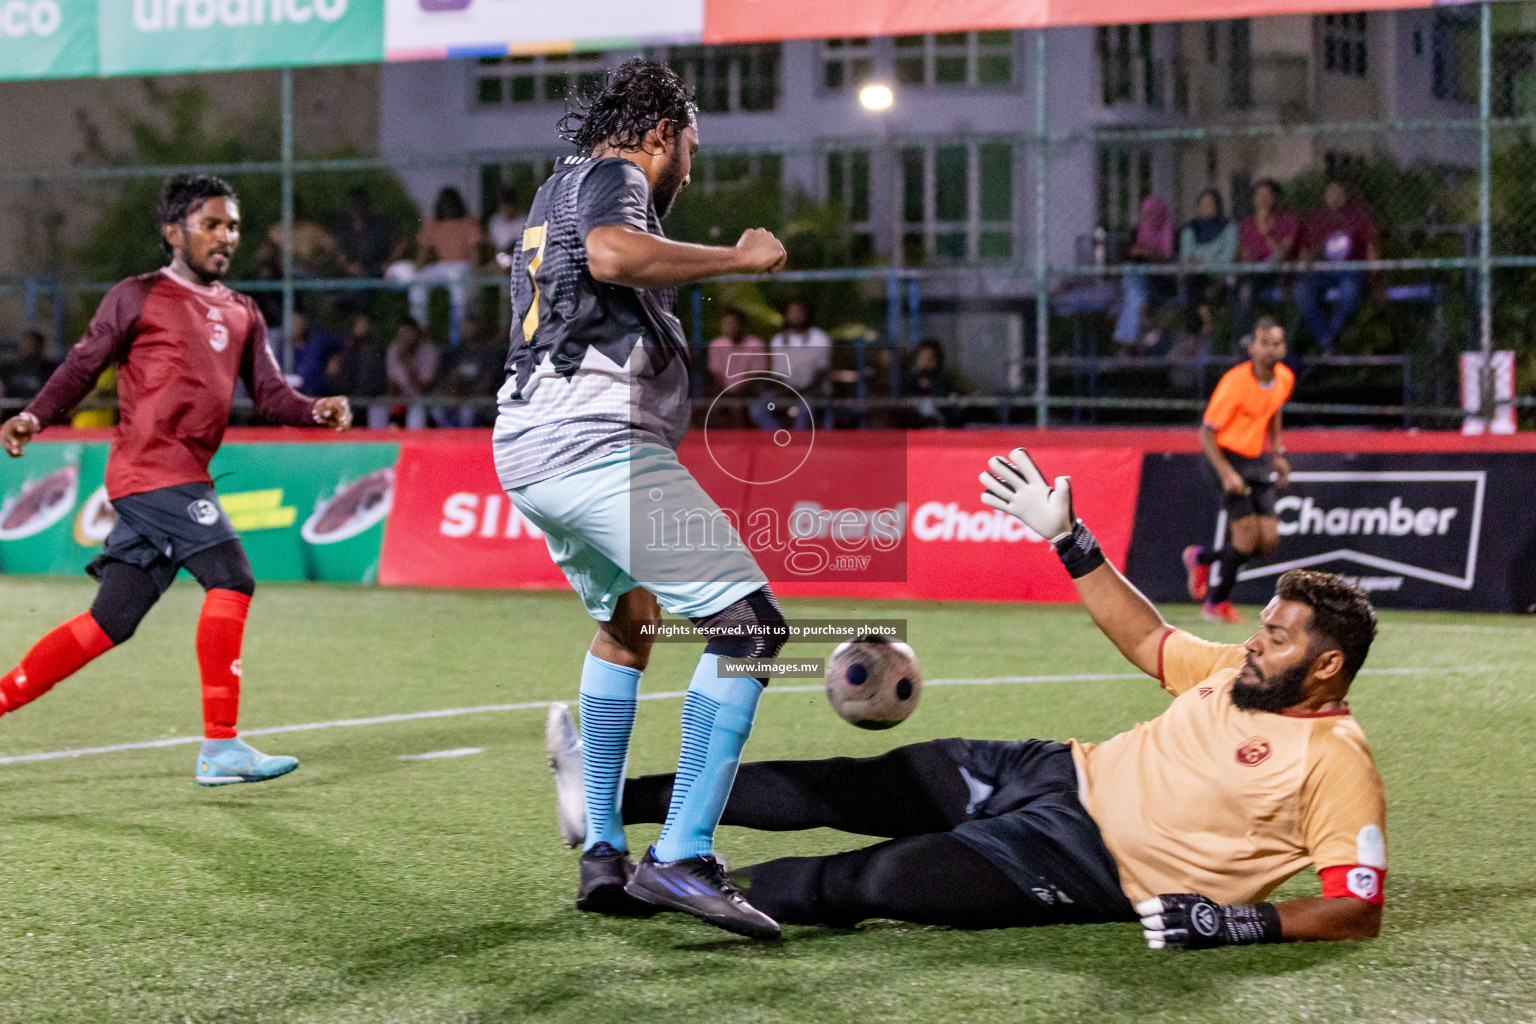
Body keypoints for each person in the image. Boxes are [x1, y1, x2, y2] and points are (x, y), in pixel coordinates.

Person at [550, 451, 1386, 947]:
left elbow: (1357, 907)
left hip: (1084, 866)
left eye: (1278, 636)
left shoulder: (1334, 763)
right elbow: (1146, 639)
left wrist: (1243, 925)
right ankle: (605, 806)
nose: (1256, 643)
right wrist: (1070, 540)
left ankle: (648, 890)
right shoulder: (1236, 669)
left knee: (870, 881)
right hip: (1051, 772)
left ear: (1326, 668)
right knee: (853, 785)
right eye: (1264, 626)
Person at [495, 58, 788, 938]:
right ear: (661, 132)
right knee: (751, 627)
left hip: (532, 443)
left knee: (631, 619)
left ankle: (604, 853)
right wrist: (739, 257)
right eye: (691, 147)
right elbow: (616, 257)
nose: (690, 169)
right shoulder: (617, 176)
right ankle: (684, 857)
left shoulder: (558, 189)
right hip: (594, 440)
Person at [0, 174, 353, 785]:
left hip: (183, 477)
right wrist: (34, 415)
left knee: (111, 620)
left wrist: (313, 409)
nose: (226, 237)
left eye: (233, 226)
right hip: (151, 472)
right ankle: (221, 748)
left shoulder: (242, 311)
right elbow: (84, 364)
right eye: (212, 224)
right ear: (174, 231)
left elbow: (270, 394)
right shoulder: (136, 296)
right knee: (232, 577)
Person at [1183, 317, 1294, 624]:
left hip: (1256, 459)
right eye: (1264, 343)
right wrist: (1226, 473)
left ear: (1283, 348)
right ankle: (1216, 604)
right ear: (1252, 347)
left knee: (1268, 540)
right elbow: (1206, 433)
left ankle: (1201, 558)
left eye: (1276, 343)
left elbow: (1273, 411)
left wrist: (1278, 452)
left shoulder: (1284, 378)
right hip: (1225, 457)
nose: (1270, 349)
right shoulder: (1235, 382)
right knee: (1245, 540)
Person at [1295, 180, 1379, 352]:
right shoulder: (1318, 219)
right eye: (1330, 193)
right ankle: (1327, 338)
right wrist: (1307, 261)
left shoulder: (1358, 217)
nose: (1334, 197)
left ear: (1346, 195)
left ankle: (1333, 333)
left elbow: (1371, 247)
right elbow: (1305, 250)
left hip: (1351, 271)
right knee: (1301, 290)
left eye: (1338, 193)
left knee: (1350, 290)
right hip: (1323, 272)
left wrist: (1376, 274)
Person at [409, 187, 484, 340]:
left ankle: (458, 333)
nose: (448, 207)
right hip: (442, 266)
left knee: (459, 288)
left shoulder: (467, 222)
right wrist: (416, 271)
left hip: (462, 265)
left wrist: (474, 275)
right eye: (445, 204)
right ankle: (421, 328)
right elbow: (423, 251)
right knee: (419, 282)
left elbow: (474, 252)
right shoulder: (433, 224)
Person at [751, 300, 830, 432]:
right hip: (784, 390)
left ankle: (798, 445)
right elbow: (778, 374)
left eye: (799, 311)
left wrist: (802, 389)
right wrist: (787, 390)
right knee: (757, 409)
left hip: (812, 391)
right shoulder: (778, 340)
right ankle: (781, 440)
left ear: (806, 314)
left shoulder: (819, 338)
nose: (796, 315)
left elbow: (821, 372)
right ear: (786, 315)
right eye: (792, 312)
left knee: (804, 410)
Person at [1236, 179, 1299, 334]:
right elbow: (1245, 257)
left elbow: (1282, 253)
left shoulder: (1287, 221)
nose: (1263, 199)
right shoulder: (1247, 225)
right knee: (1240, 289)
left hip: (1278, 272)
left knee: (1249, 289)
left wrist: (1266, 233)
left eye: (1267, 195)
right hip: (1254, 273)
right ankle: (1244, 338)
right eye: (1259, 195)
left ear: (1274, 198)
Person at [1113, 195, 1175, 351]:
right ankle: (1144, 324)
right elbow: (1121, 260)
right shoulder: (1135, 233)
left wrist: (1151, 253)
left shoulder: (1169, 233)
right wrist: (1134, 252)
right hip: (1137, 283)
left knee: (1134, 292)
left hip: (1159, 282)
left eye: (1154, 213)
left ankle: (1129, 341)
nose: (1151, 218)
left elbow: (1168, 263)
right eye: (1147, 214)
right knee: (1131, 275)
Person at [1179, 189, 1237, 348]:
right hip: (1196, 277)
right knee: (1192, 283)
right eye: (1204, 204)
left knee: (1198, 290)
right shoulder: (1190, 227)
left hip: (1219, 278)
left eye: (1211, 204)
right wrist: (1198, 263)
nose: (1208, 208)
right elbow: (1187, 256)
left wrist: (1203, 262)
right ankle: (1206, 321)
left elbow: (1227, 256)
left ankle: (1193, 338)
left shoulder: (1228, 226)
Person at [434, 316, 503, 428]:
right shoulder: (454, 353)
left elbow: (486, 384)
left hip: (480, 400)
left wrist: (467, 397)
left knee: (467, 411)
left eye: (470, 326)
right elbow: (448, 381)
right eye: (463, 327)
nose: (466, 330)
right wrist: (456, 395)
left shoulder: (487, 353)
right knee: (438, 409)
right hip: (456, 398)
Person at [327, 314, 390, 429]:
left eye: (365, 324)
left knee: (377, 408)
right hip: (350, 400)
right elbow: (341, 380)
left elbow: (380, 381)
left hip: (371, 401)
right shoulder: (345, 352)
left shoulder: (375, 351)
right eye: (360, 324)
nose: (363, 328)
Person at [384, 317, 439, 430]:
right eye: (402, 334)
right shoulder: (394, 350)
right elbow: (392, 388)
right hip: (401, 400)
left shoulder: (428, 350)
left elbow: (423, 389)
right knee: (379, 409)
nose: (405, 338)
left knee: (416, 413)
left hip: (425, 401)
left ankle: (414, 445)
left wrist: (406, 363)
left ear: (416, 333)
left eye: (408, 333)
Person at [905, 338, 960, 429]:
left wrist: (933, 387)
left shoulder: (945, 380)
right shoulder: (910, 381)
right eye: (922, 358)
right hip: (915, 430)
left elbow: (951, 408)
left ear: (937, 360)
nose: (925, 363)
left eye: (930, 359)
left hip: (941, 429)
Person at [2, 330, 57, 399]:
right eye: (24, 344)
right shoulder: (17, 366)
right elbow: (9, 388)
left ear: (39, 347)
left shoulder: (47, 367)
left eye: (29, 344)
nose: (24, 347)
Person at [486, 186, 526, 267]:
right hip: (500, 259)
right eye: (503, 207)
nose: (506, 210)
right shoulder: (495, 222)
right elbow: (493, 246)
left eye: (508, 207)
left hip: (521, 259)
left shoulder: (525, 221)